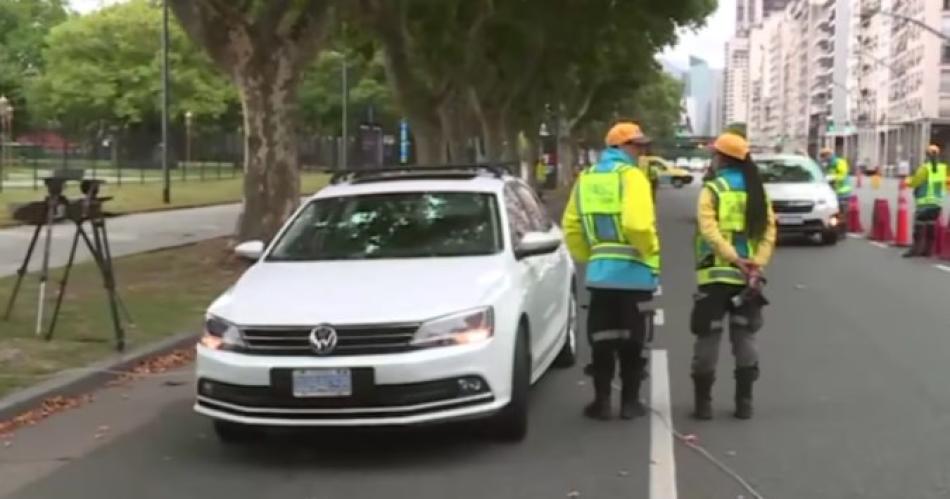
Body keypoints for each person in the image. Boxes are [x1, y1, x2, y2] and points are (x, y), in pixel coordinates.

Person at [562, 122, 661, 421]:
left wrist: (591, 256)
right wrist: (649, 250)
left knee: (602, 338)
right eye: (636, 145)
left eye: (642, 146)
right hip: (635, 273)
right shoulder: (632, 177)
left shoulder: (587, 178)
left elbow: (572, 226)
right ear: (618, 147)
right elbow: (637, 225)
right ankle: (630, 403)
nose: (641, 151)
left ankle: (601, 403)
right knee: (634, 339)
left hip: (600, 275)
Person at [690, 133, 777, 421]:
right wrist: (755, 265)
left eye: (714, 154)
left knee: (708, 337)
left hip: (714, 276)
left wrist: (732, 258)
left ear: (721, 158)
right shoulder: (759, 192)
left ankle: (703, 405)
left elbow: (709, 231)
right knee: (745, 338)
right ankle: (745, 402)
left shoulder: (711, 190)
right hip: (748, 280)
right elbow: (769, 233)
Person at [903, 144, 948, 257]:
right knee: (931, 226)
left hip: (924, 203)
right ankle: (928, 251)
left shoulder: (924, 169)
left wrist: (907, 180)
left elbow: (914, 182)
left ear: (927, 156)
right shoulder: (942, 168)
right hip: (936, 203)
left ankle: (915, 250)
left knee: (919, 226)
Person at [819, 147, 853, 235]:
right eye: (822, 156)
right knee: (834, 213)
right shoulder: (827, 165)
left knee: (842, 213)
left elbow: (843, 175)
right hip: (832, 193)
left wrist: (833, 178)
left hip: (843, 192)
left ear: (829, 155)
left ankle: (842, 232)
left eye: (824, 156)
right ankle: (837, 230)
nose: (823, 158)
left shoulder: (839, 162)